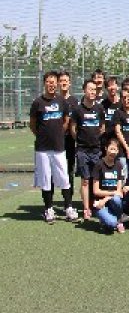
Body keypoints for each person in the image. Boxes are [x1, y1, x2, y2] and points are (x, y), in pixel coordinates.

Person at [30, 71, 77, 224]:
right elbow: (33, 125)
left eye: (54, 82)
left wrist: (58, 135)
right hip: (42, 149)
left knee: (64, 178)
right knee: (45, 179)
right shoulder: (38, 102)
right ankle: (49, 209)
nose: (52, 85)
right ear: (44, 83)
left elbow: (66, 121)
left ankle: (68, 207)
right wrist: (42, 136)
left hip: (59, 147)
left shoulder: (62, 101)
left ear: (57, 84)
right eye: (49, 82)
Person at [70, 79, 106, 221]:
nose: (92, 92)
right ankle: (86, 209)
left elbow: (102, 128)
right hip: (82, 150)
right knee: (85, 180)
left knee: (96, 180)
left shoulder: (100, 109)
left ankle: (96, 205)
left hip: (96, 150)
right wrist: (82, 140)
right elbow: (73, 130)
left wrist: (94, 139)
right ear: (84, 90)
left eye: (94, 90)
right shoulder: (77, 110)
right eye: (90, 89)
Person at [92, 138, 125, 233]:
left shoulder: (119, 165)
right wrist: (112, 194)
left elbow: (119, 192)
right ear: (106, 148)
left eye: (115, 149)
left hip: (110, 200)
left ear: (118, 151)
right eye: (111, 149)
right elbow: (96, 191)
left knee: (117, 199)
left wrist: (106, 199)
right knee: (111, 223)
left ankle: (119, 221)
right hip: (99, 203)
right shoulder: (99, 165)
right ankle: (110, 220)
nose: (113, 152)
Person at [58, 71, 79, 196]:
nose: (63, 83)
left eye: (65, 81)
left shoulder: (74, 101)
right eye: (61, 81)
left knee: (70, 168)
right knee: (55, 169)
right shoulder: (54, 100)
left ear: (69, 83)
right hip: (56, 141)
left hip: (70, 140)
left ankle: (68, 198)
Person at [113, 88, 129, 182]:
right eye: (123, 97)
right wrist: (127, 149)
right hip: (122, 152)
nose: (126, 99)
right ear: (121, 99)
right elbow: (118, 132)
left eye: (128, 97)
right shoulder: (118, 113)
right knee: (123, 178)